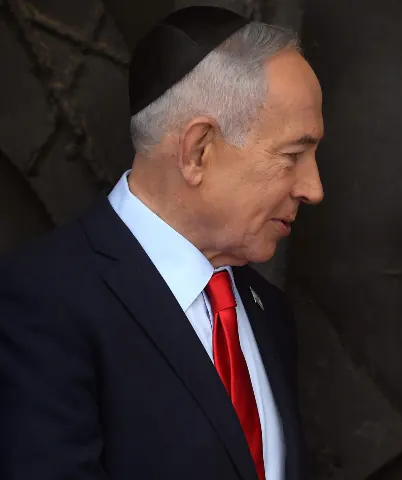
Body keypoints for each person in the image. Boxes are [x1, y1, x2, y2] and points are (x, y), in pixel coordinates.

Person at [0, 6, 323, 480]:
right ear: (198, 151)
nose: (313, 189)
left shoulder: (266, 311)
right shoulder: (42, 304)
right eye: (293, 155)